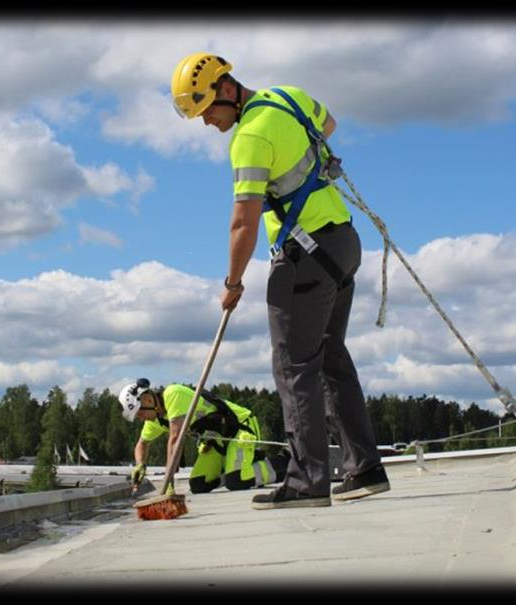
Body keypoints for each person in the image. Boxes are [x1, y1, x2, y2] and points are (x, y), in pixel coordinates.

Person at [169, 53, 389, 510]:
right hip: (343, 243)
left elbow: (243, 224)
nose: (208, 123)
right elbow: (328, 124)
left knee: (294, 367)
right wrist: (304, 170)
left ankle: (308, 481)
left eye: (208, 110)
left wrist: (232, 282)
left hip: (303, 257)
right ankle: (364, 468)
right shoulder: (288, 97)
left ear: (227, 90)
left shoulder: (248, 137)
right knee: (331, 358)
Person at [118, 378, 290, 494]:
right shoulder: (155, 420)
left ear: (147, 400)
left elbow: (176, 439)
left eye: (139, 413)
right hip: (217, 440)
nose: (140, 419)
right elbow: (142, 444)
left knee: (237, 481)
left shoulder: (173, 394)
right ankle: (233, 467)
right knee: (199, 484)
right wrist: (140, 464)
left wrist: (168, 484)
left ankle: (287, 462)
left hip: (240, 429)